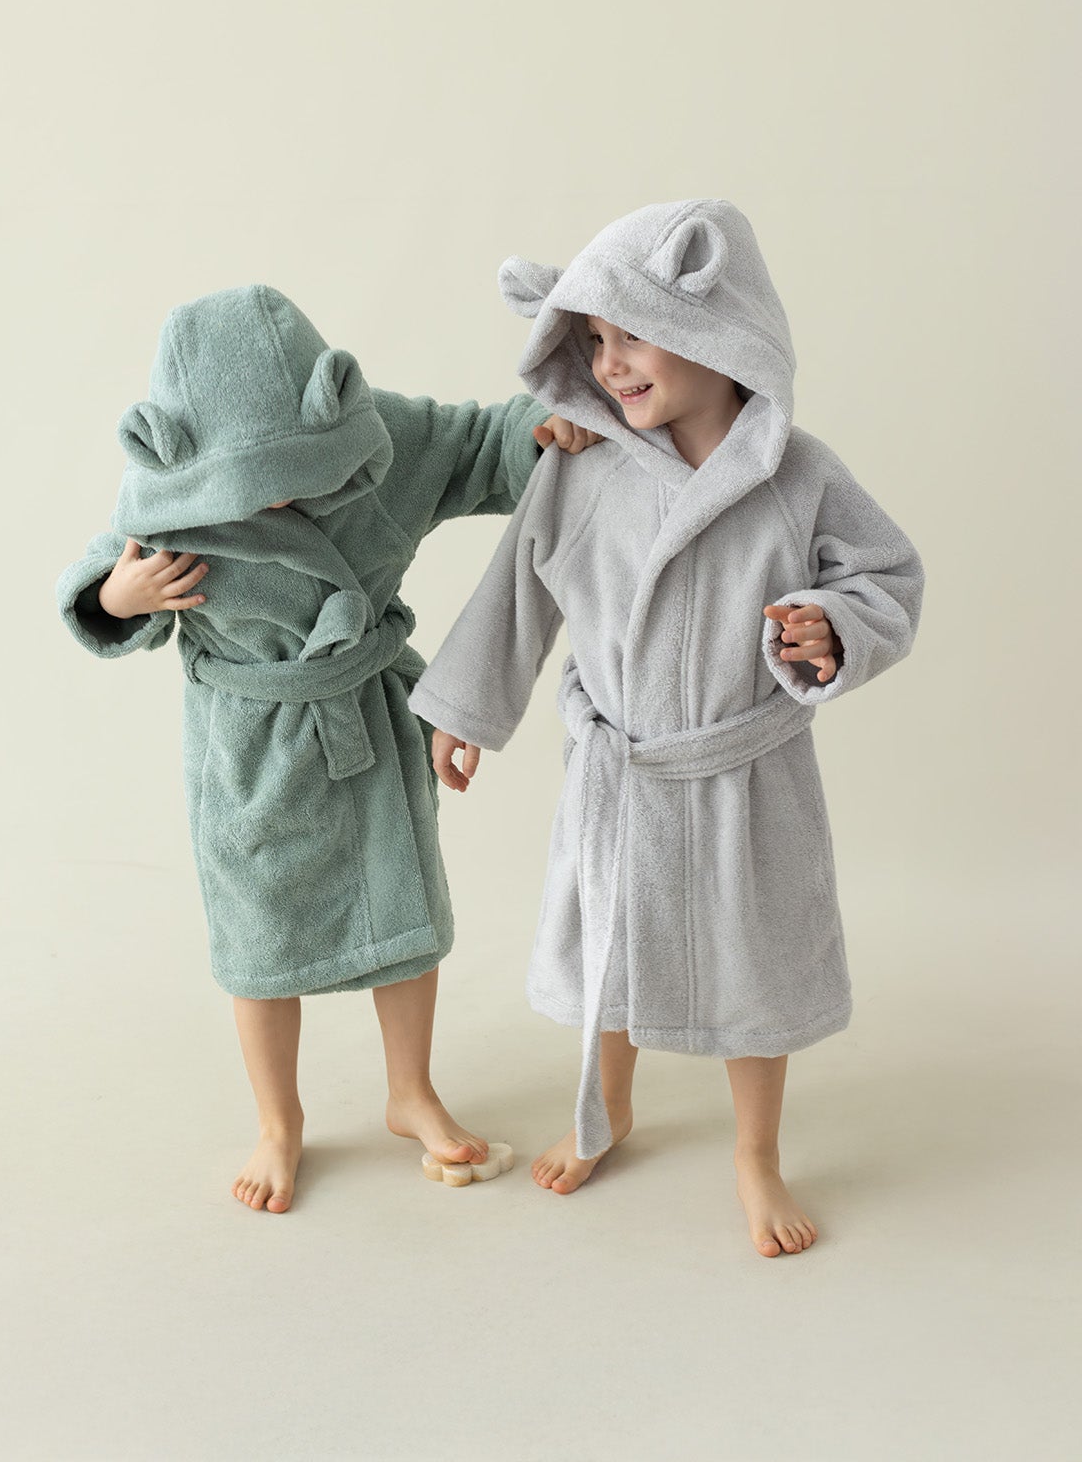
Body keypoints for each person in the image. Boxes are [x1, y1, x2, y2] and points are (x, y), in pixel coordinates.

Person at [407, 199, 924, 1258]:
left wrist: (832, 627)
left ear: (715, 327)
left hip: (746, 773)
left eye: (630, 335)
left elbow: (887, 575)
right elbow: (519, 590)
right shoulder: (581, 467)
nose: (609, 364)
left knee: (758, 967)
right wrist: (465, 712)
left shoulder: (800, 475)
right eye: (593, 340)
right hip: (623, 769)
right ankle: (609, 1107)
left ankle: (756, 1154)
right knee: (613, 947)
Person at [56, 283, 599, 1214]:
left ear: (330, 411)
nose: (278, 496)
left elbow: (479, 442)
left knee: (405, 916)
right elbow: (98, 581)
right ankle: (279, 1123)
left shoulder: (376, 439)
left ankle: (410, 1092)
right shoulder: (170, 493)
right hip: (249, 752)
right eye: (255, 480)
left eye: (301, 468)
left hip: (369, 720)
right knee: (260, 942)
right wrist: (120, 598)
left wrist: (538, 431)